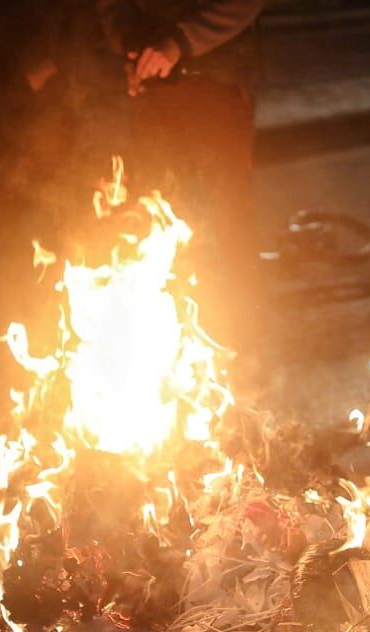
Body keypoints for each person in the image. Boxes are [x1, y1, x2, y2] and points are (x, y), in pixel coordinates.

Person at [97, 0, 265, 368]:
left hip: (216, 84)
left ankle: (242, 346)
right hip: (153, 92)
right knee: (150, 222)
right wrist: (130, 42)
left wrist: (179, 42)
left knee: (228, 218)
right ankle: (162, 353)